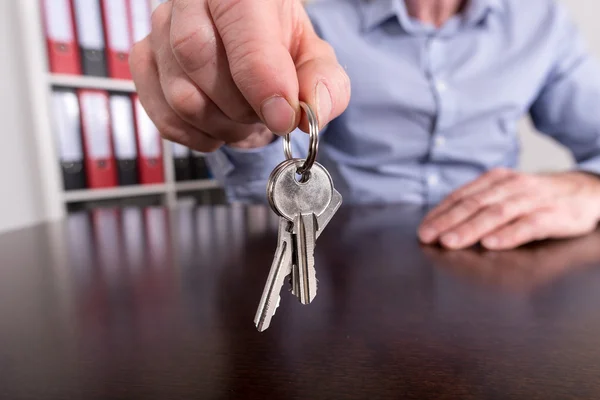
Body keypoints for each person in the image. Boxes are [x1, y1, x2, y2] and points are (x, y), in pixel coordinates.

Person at [129, 0, 600, 251]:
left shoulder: (543, 23)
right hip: (347, 254)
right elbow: (270, 181)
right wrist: (250, 129)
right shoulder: (316, 22)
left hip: (497, 254)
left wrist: (589, 185)